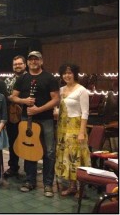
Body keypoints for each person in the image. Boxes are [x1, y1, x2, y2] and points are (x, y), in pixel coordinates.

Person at [11, 51, 60, 197]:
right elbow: (13, 97)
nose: (33, 62)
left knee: (49, 152)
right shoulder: (23, 78)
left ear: (41, 61)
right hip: (28, 119)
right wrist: (24, 101)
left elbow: (56, 99)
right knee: (28, 149)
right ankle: (29, 181)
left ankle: (48, 184)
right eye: (31, 59)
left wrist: (39, 109)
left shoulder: (49, 78)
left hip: (46, 119)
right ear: (28, 62)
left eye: (36, 59)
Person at [55, 63, 90, 197]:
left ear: (75, 74)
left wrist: (82, 132)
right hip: (62, 127)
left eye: (69, 73)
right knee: (67, 158)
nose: (67, 75)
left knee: (77, 157)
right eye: (64, 73)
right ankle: (72, 186)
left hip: (76, 127)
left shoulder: (81, 90)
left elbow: (85, 113)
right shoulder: (61, 89)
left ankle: (82, 189)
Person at [3, 55, 27, 178]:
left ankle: (30, 170)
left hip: (30, 115)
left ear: (25, 64)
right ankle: (13, 167)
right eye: (15, 64)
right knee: (13, 142)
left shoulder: (31, 78)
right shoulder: (8, 80)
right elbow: (6, 96)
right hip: (13, 116)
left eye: (19, 64)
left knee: (29, 141)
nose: (17, 66)